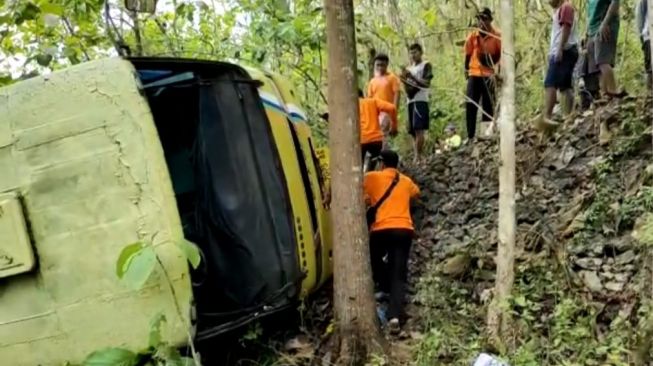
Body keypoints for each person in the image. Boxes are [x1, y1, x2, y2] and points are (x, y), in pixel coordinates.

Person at [363, 150, 420, 334]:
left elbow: (362, 193)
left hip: (381, 229)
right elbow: (416, 192)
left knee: (373, 257)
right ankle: (394, 316)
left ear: (381, 163)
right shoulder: (405, 180)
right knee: (399, 271)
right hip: (404, 229)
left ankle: (384, 284)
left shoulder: (372, 177)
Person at [464, 7, 501, 144]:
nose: (481, 22)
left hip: (489, 74)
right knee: (471, 104)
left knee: (488, 105)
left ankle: (486, 133)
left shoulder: (497, 36)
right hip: (474, 73)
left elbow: (501, 56)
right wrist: (466, 69)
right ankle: (470, 136)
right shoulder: (473, 36)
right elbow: (467, 54)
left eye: (484, 19)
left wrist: (498, 73)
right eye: (479, 19)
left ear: (490, 20)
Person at [543, 0, 579, 124]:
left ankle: (547, 116)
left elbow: (566, 28)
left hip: (564, 50)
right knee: (565, 86)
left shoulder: (566, 7)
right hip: (565, 50)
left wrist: (559, 49)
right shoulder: (560, 10)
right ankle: (569, 115)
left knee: (550, 83)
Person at [586, 0, 627, 100]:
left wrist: (605, 23)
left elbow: (615, 3)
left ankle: (613, 93)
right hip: (593, 29)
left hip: (605, 25)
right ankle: (605, 96)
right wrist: (587, 33)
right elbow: (590, 12)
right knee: (597, 67)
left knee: (603, 61)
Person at [400, 43, 433, 162]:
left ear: (421, 52)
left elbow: (426, 83)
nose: (413, 55)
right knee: (413, 130)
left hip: (421, 100)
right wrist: (404, 80)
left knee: (419, 128)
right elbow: (407, 88)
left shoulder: (426, 65)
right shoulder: (408, 69)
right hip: (410, 101)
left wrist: (412, 79)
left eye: (415, 52)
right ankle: (418, 155)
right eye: (411, 53)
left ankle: (417, 156)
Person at [367, 53, 401, 149]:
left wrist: (394, 112)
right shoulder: (372, 81)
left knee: (383, 136)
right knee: (378, 137)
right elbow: (369, 100)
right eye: (378, 65)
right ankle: (382, 157)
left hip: (387, 112)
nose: (380, 67)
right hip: (375, 114)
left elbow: (397, 95)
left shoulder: (392, 78)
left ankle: (384, 157)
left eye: (382, 65)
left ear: (387, 65)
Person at [358, 89, 397, 172]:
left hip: (361, 140)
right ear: (363, 95)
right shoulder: (373, 102)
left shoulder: (351, 106)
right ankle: (370, 176)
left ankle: (361, 181)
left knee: (358, 167)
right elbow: (392, 108)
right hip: (376, 140)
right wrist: (394, 126)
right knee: (372, 164)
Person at [576, 38, 601, 111]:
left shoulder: (589, 54)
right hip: (588, 84)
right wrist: (581, 79)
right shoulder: (586, 54)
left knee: (590, 104)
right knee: (587, 104)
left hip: (591, 84)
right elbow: (581, 69)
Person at [636, 0, 652, 89]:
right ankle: (649, 94)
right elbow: (640, 18)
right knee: (650, 68)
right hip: (648, 36)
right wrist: (642, 36)